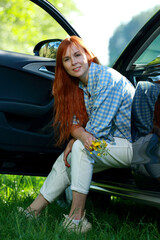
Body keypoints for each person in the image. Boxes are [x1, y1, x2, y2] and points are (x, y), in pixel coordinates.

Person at [19, 36, 135, 233]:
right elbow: (73, 123)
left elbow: (95, 131)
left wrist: (78, 137)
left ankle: (76, 220)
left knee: (81, 147)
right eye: (66, 59)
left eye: (77, 55)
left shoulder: (107, 79)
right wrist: (77, 136)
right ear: (62, 66)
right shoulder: (81, 85)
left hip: (132, 145)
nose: (74, 62)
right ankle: (33, 211)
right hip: (108, 143)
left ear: (88, 55)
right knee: (68, 158)